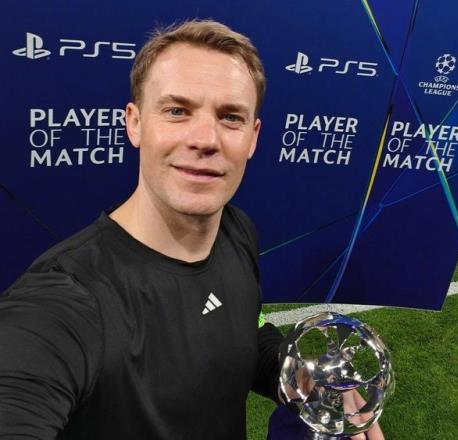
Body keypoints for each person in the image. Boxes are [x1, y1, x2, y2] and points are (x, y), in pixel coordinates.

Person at [0, 20, 283, 440]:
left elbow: (246, 333)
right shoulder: (65, 299)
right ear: (134, 123)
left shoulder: (238, 231)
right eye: (177, 111)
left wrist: (303, 378)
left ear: (253, 137)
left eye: (230, 117)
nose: (206, 139)